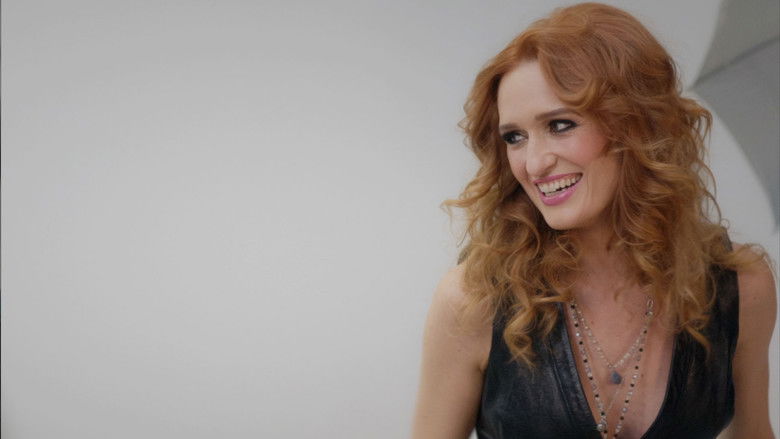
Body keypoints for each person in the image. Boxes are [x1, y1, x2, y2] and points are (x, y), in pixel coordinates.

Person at [411, 3, 776, 438]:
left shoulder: (740, 288)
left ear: (637, 125)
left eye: (560, 125)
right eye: (515, 137)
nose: (534, 163)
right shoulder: (474, 300)